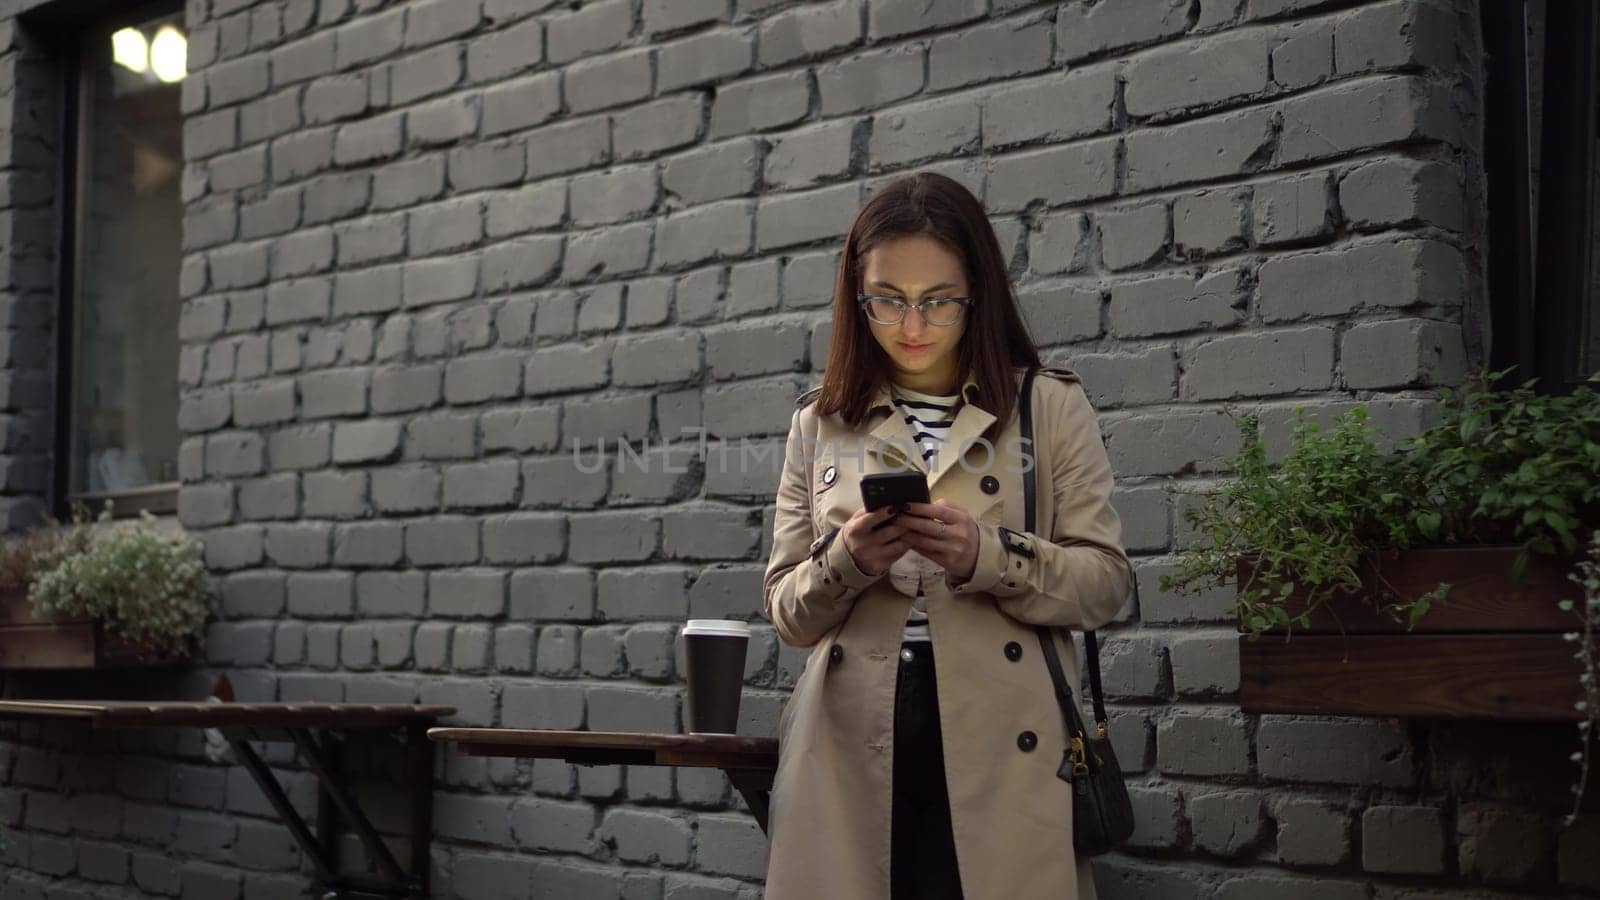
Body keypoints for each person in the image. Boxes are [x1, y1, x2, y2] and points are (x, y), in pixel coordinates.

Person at [761, 172, 1133, 900]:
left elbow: (1105, 583)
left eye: (938, 300)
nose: (912, 324)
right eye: (888, 300)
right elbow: (785, 611)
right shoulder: (821, 422)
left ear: (977, 293)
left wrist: (988, 556)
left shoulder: (1047, 405)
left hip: (1002, 736)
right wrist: (846, 562)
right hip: (850, 739)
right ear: (856, 297)